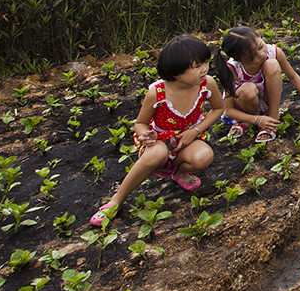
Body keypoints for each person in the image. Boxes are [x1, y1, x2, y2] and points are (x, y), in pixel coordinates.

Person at [90, 35, 224, 227]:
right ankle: (117, 199)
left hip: (187, 138)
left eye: (205, 62)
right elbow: (141, 123)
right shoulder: (158, 92)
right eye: (197, 66)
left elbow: (218, 109)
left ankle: (177, 171)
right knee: (158, 153)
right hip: (159, 140)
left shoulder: (206, 84)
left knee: (204, 156)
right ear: (176, 72)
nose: (204, 69)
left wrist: (195, 131)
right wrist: (146, 135)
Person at [215, 26, 300, 143]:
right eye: (252, 57)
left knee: (272, 64)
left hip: (268, 100)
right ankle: (251, 121)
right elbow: (229, 110)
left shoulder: (273, 52)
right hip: (245, 105)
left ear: (260, 36)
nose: (261, 54)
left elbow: (293, 77)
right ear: (238, 59)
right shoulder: (232, 68)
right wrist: (257, 119)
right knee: (247, 89)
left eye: (261, 46)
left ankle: (272, 118)